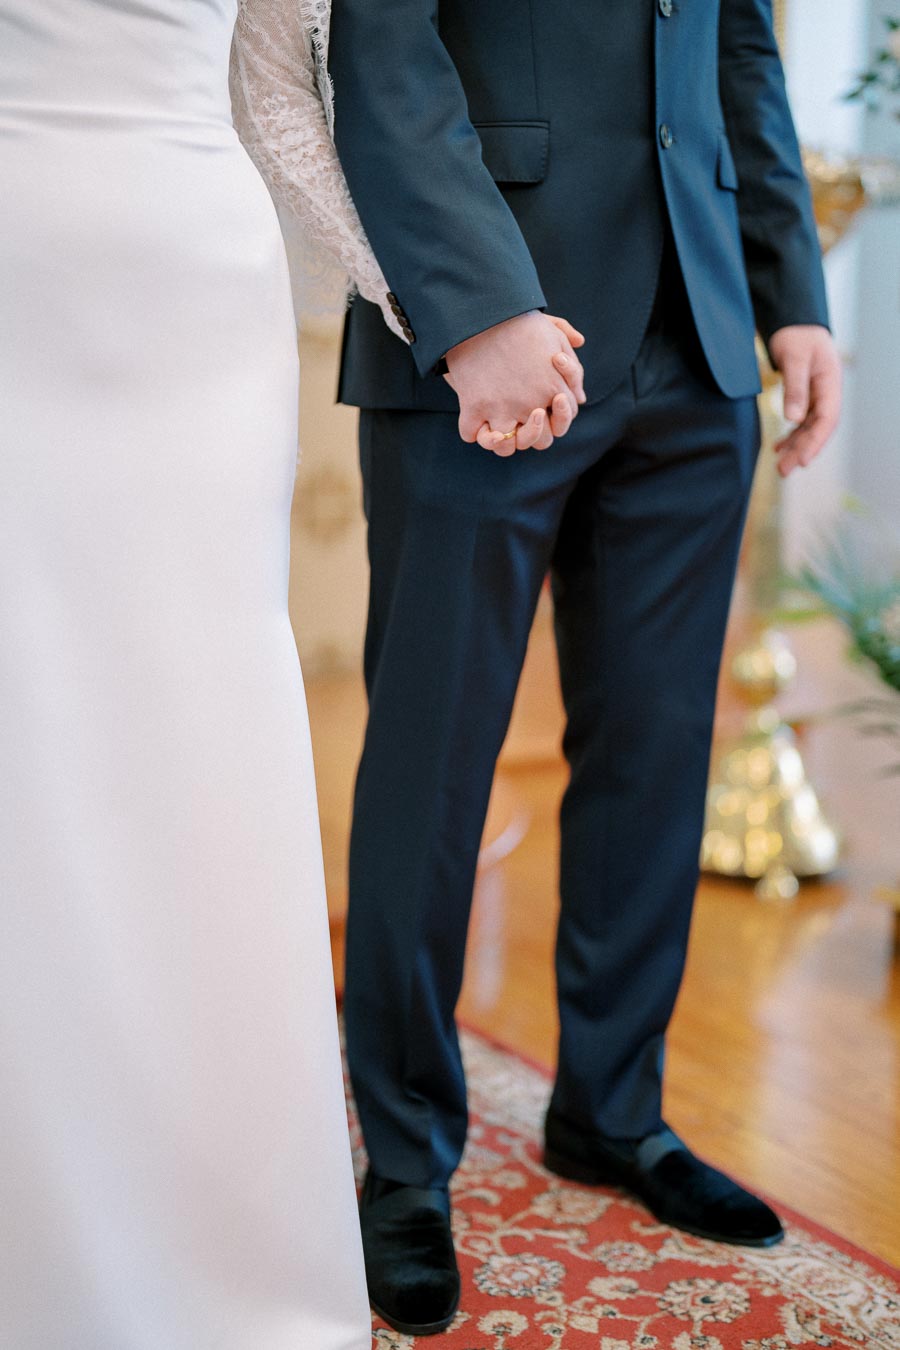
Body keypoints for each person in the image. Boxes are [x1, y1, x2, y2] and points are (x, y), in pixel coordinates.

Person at [0, 1, 586, 1344]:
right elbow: (284, 95)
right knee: (33, 709)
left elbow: (275, 87)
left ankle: (207, 1210)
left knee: (197, 714)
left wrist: (440, 314)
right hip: (38, 268)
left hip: (186, 291)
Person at [329, 0, 844, 1336]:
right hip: (485, 336)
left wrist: (791, 293)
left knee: (656, 755)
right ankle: (403, 1159)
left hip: (700, 338)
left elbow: (737, 43)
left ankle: (613, 1111)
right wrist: (477, 307)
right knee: (433, 767)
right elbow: (383, 46)